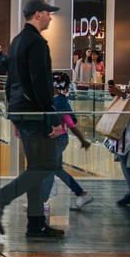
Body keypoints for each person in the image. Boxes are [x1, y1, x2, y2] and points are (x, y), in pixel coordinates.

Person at [0, 0, 66, 238]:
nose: (50, 18)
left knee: (37, 166)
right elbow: (41, 83)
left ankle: (36, 223)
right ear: (38, 14)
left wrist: (14, 115)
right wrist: (53, 118)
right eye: (48, 13)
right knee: (45, 165)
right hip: (35, 112)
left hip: (21, 110)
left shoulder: (17, 41)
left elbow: (11, 82)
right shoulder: (37, 43)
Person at [39, 72, 93, 211]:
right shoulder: (54, 100)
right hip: (55, 140)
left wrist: (82, 140)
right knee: (57, 169)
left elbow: (69, 122)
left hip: (58, 140)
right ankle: (82, 194)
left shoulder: (60, 101)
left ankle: (42, 201)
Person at [108, 80, 130, 206]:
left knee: (125, 157)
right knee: (124, 157)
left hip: (128, 131)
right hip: (127, 128)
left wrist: (122, 95)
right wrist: (121, 93)